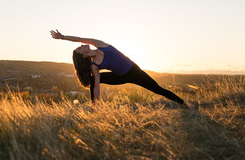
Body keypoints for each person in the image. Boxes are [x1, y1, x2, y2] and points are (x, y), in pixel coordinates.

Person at [50, 29, 193, 108]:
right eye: (80, 48)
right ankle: (96, 108)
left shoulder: (99, 44)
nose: (82, 45)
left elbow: (79, 38)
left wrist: (62, 37)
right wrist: (96, 102)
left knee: (157, 89)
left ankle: (184, 103)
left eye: (80, 46)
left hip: (134, 71)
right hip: (119, 76)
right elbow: (96, 89)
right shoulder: (94, 66)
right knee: (93, 81)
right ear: (84, 55)